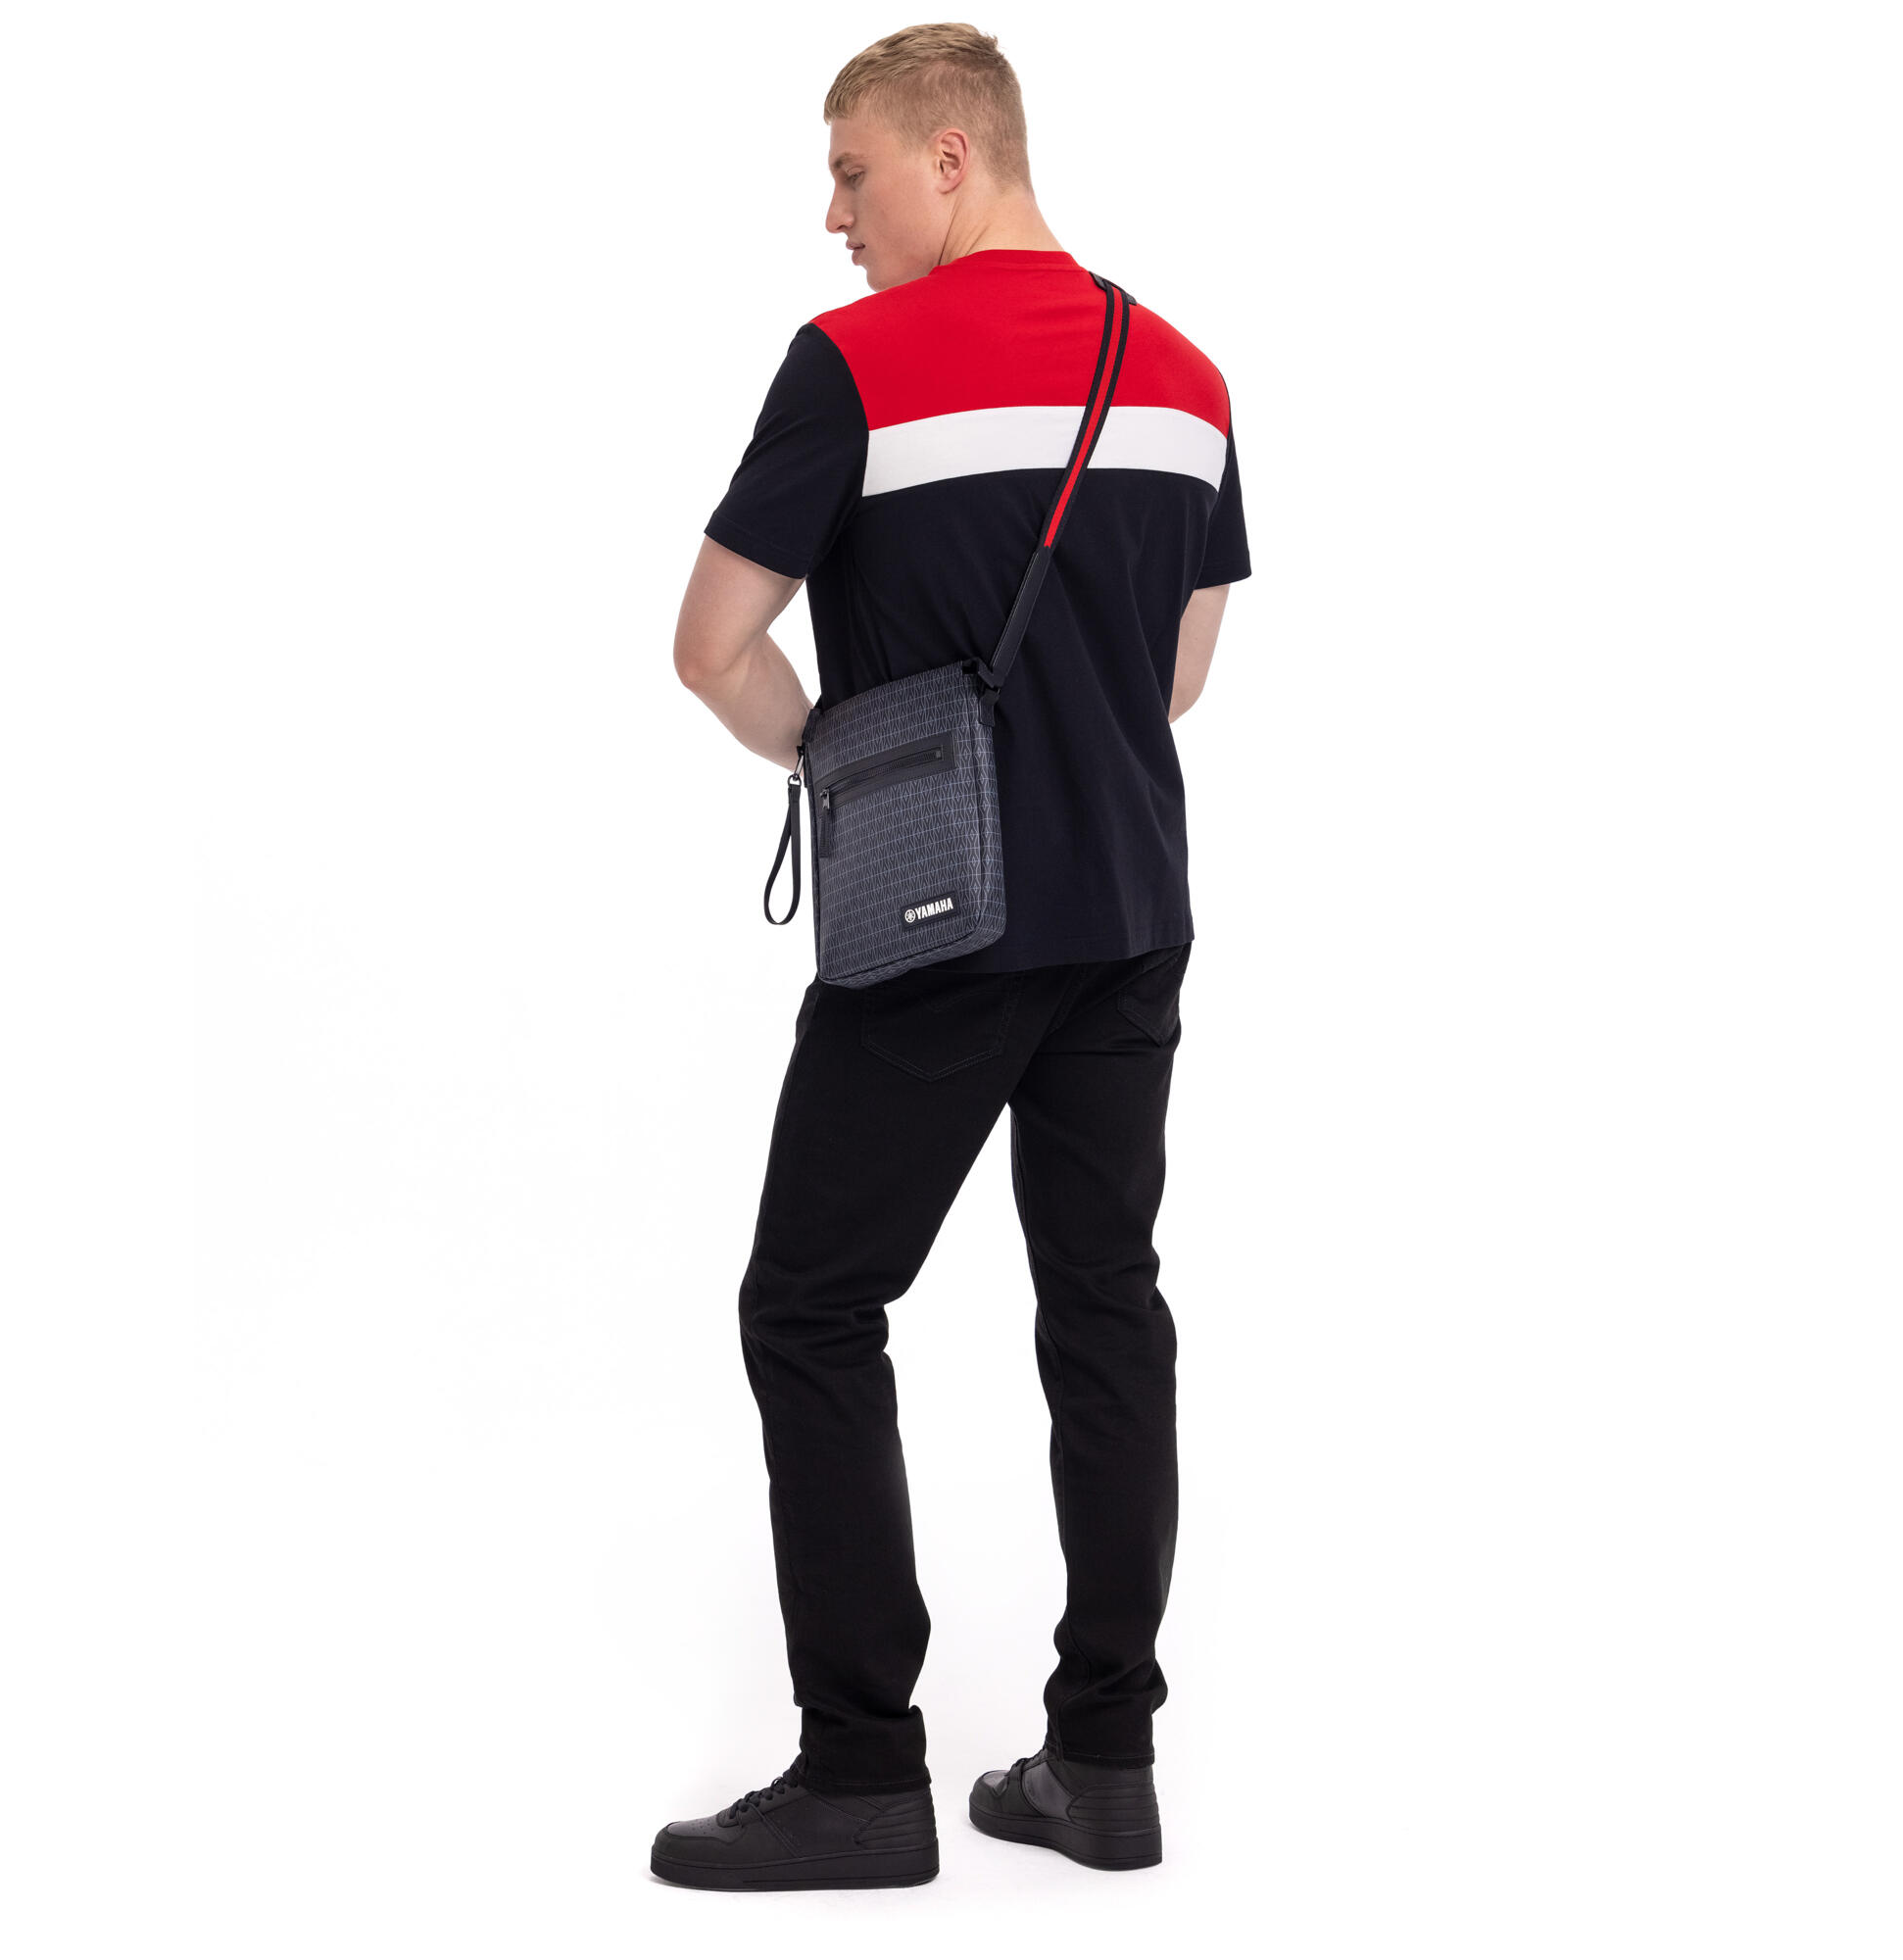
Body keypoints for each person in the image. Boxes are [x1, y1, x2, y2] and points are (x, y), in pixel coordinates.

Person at [657, 23, 1250, 1890]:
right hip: (1130, 918)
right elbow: (1178, 677)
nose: (831, 216)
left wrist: (847, 761)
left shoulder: (854, 367)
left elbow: (709, 644)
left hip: (939, 928)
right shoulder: (1185, 377)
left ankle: (860, 1775)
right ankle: (1106, 1764)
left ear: (948, 154)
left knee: (812, 1306)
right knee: (1107, 1310)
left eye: (850, 172)